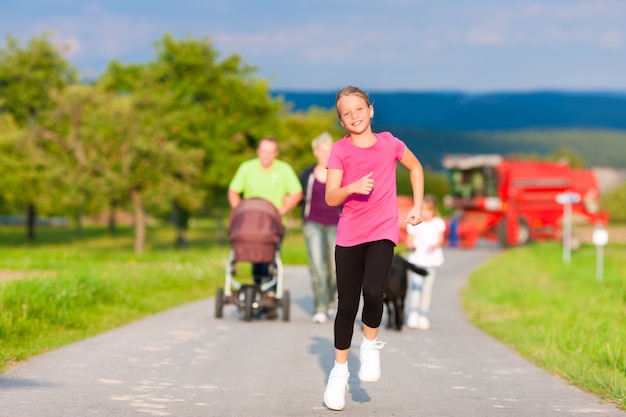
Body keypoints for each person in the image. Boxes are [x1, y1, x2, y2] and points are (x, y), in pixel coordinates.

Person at [323, 86, 424, 411]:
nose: (354, 116)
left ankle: (369, 347)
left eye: (359, 109)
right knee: (346, 306)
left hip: (382, 230)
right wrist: (351, 187)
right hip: (350, 234)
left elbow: (416, 168)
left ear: (371, 110)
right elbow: (330, 196)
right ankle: (338, 374)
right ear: (341, 121)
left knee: (375, 290)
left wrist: (418, 205)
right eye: (347, 113)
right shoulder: (340, 151)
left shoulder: (390, 143)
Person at [227, 137, 303, 289]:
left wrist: (281, 211)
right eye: (264, 151)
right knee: (255, 256)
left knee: (270, 258)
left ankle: (270, 291)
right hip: (250, 223)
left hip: (273, 224)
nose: (266, 155)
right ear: (258, 152)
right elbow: (233, 191)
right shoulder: (247, 167)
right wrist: (239, 211)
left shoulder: (284, 169)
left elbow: (297, 193)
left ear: (276, 153)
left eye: (270, 152)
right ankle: (258, 288)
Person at [299, 132, 340, 324]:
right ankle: (320, 307)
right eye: (321, 150)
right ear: (315, 151)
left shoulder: (339, 172)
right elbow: (300, 198)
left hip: (336, 224)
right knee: (317, 266)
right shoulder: (307, 174)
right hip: (313, 223)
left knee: (334, 267)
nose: (325, 154)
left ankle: (332, 301)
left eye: (328, 150)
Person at [405, 194, 446, 330]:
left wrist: (435, 245)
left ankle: (423, 314)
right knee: (416, 288)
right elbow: (410, 238)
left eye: (429, 211)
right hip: (417, 260)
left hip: (431, 261)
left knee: (427, 290)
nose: (426, 214)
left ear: (434, 210)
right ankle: (413, 313)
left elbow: (440, 239)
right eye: (424, 210)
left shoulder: (438, 223)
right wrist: (410, 245)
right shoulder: (416, 223)